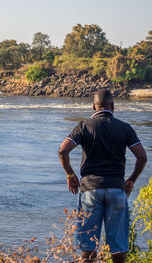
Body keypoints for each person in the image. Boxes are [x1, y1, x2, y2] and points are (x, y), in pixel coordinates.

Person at [58, 89, 147, 263]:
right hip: (116, 189)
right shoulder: (124, 128)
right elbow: (142, 157)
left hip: (90, 190)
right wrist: (131, 180)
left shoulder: (84, 126)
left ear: (93, 106)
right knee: (118, 245)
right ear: (113, 106)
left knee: (88, 245)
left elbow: (63, 151)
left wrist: (70, 174)